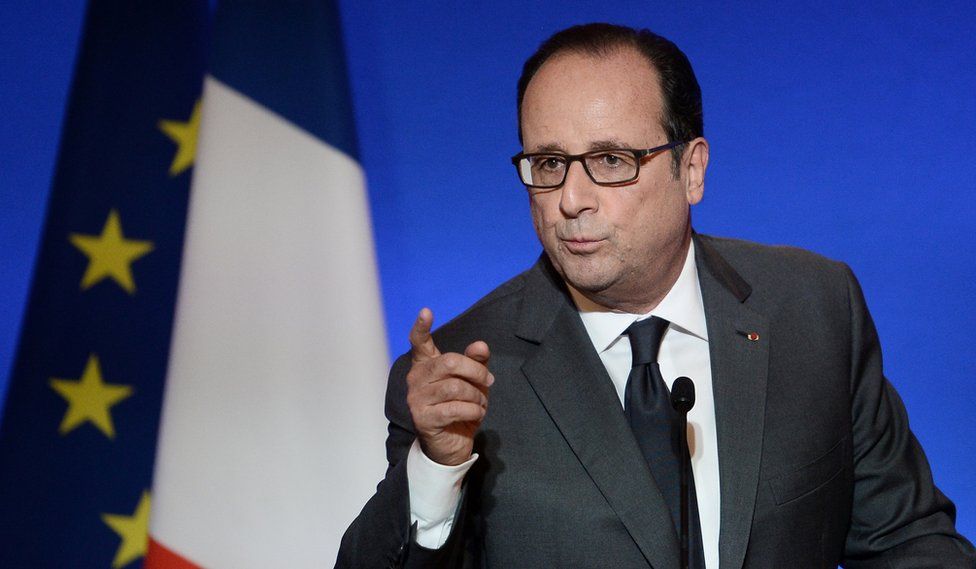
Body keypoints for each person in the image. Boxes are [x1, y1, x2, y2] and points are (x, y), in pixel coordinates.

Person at [336, 23, 975, 568]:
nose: (571, 200)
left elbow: (907, 542)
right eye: (549, 164)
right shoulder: (461, 376)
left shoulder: (814, 310)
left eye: (611, 160)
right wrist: (437, 469)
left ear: (690, 170)